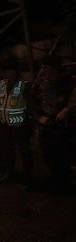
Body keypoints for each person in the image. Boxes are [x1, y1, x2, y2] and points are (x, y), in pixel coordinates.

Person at [33, 56, 76, 188]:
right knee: (47, 152)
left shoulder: (68, 81)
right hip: (46, 123)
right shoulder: (41, 83)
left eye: (47, 68)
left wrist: (66, 110)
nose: (45, 71)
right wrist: (39, 117)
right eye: (44, 68)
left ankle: (63, 179)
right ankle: (56, 178)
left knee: (63, 153)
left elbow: (73, 98)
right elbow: (33, 101)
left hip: (63, 124)